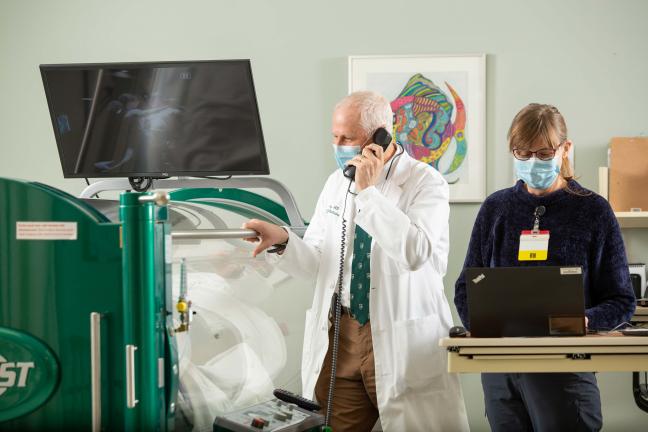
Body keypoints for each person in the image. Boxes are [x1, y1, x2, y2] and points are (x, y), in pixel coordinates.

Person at [243, 91, 469, 432]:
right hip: (343, 335)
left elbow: (415, 252)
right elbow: (317, 263)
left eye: (348, 138)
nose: (339, 146)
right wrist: (285, 242)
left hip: (400, 334)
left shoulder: (425, 182)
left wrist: (368, 194)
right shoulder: (336, 184)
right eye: (334, 137)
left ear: (380, 136)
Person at [454, 103, 637, 431]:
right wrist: (483, 326)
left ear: (565, 149)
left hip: (564, 370)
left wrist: (584, 320)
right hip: (500, 371)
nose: (531, 162)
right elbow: (465, 288)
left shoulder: (593, 211)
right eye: (521, 153)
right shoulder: (496, 209)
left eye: (543, 152)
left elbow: (622, 301)